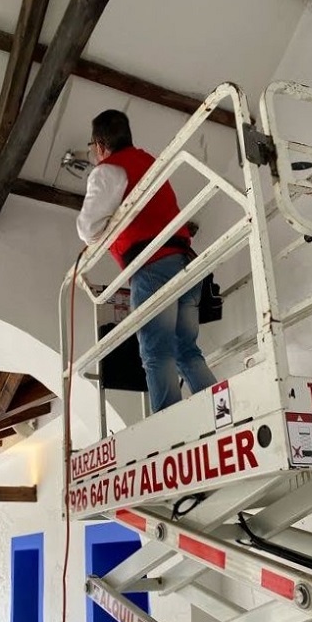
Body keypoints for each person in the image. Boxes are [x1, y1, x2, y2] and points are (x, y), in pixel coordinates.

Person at [76, 109, 216, 413]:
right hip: (186, 263)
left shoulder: (108, 170)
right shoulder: (149, 162)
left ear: (99, 145)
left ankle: (172, 425)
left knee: (156, 352)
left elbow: (88, 229)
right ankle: (223, 411)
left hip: (152, 267)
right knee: (186, 350)